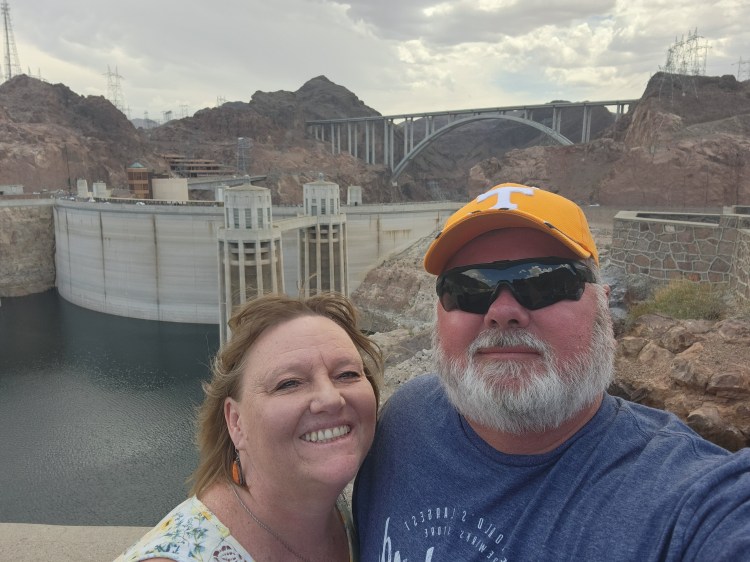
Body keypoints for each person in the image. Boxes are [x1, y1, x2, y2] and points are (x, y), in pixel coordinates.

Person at [354, 183, 750, 561]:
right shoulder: (403, 420)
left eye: (545, 283)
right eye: (468, 288)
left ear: (604, 305)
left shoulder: (691, 503)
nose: (502, 312)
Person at [118, 292, 382, 562]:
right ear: (236, 422)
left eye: (347, 374)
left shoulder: (349, 514)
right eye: (289, 383)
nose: (330, 399)